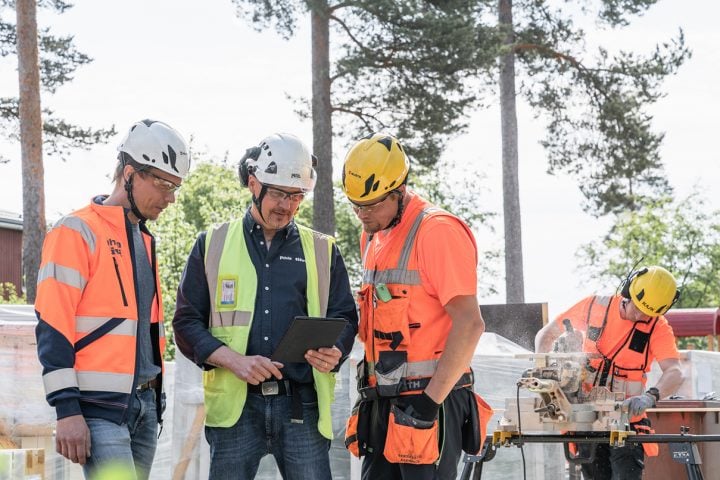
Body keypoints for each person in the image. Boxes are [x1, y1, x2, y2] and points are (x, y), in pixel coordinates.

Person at [172, 133, 358, 480]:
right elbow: (185, 323)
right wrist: (235, 361)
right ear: (253, 184)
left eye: (296, 196)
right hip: (235, 411)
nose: (287, 206)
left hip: (301, 405)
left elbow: (345, 316)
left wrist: (337, 350)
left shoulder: (323, 250)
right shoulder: (211, 244)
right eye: (278, 194)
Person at [35, 119, 191, 479]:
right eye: (164, 185)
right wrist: (66, 409)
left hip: (146, 406)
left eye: (176, 188)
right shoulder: (75, 231)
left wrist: (155, 399)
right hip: (99, 409)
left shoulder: (145, 240)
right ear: (130, 173)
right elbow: (52, 324)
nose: (170, 198)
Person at [340, 132, 492, 480]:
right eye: (355, 205)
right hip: (383, 403)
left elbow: (470, 324)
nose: (362, 214)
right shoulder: (372, 235)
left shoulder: (437, 231)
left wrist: (429, 401)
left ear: (399, 190)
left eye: (372, 204)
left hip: (430, 403)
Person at [535, 265, 685, 480]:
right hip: (587, 418)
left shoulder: (657, 327)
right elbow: (547, 333)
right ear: (627, 291)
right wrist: (543, 366)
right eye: (638, 308)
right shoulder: (594, 306)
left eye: (649, 313)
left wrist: (650, 396)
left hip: (627, 422)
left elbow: (675, 372)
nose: (641, 315)